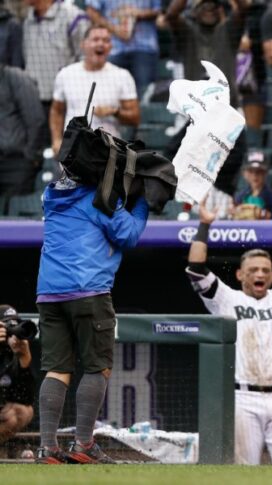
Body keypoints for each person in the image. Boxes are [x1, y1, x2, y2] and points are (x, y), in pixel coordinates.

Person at [185, 193, 272, 465]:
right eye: (253, 270)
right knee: (244, 472)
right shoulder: (226, 299)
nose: (260, 274)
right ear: (240, 274)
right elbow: (195, 270)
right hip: (243, 397)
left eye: (265, 270)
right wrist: (204, 226)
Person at [35, 172, 149, 464]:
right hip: (88, 290)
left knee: (57, 369)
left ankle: (48, 448)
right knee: (99, 367)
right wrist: (142, 202)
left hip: (48, 292)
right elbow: (129, 235)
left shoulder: (51, 194)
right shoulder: (100, 198)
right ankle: (83, 444)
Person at [50, 25, 140, 156]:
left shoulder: (122, 76)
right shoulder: (66, 74)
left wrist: (115, 112)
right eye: (95, 39)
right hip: (73, 150)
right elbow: (56, 110)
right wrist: (56, 140)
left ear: (111, 47)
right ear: (83, 44)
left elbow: (135, 118)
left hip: (108, 151)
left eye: (106, 40)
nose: (101, 44)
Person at [23, 0, 89, 148]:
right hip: (34, 101)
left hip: (65, 103)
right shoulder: (27, 18)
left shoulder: (72, 14)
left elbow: (86, 57)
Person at [165, 0, 248, 109]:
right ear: (194, 11)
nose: (209, 8)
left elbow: (244, 8)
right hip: (196, 109)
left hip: (227, 108)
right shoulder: (187, 32)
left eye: (214, 5)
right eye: (203, 5)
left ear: (220, 10)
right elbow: (171, 15)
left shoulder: (229, 30)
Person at [86, 0, 162, 95]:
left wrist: (137, 13)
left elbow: (158, 11)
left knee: (145, 94)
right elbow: (91, 12)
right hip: (112, 48)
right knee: (108, 93)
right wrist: (115, 29)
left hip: (144, 47)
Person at [0, 63, 46, 197]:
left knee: (14, 214)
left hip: (16, 163)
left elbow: (36, 119)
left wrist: (29, 156)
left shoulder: (15, 77)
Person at [0, 305, 34, 447]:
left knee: (23, 412)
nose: (11, 331)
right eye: (7, 325)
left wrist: (24, 360)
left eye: (15, 325)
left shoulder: (13, 354)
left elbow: (26, 399)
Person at [231, 150, 272, 220]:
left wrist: (265, 214)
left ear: (265, 173)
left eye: (259, 171)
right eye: (251, 171)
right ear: (244, 173)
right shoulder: (239, 197)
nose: (254, 176)